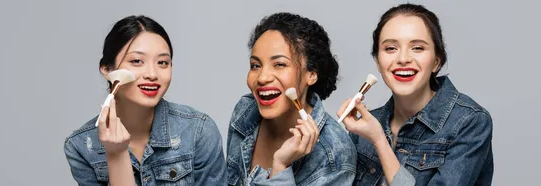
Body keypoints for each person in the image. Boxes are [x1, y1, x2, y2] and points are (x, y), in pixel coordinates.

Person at [338, 3, 494, 186]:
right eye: (390, 48)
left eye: (418, 48)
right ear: (378, 62)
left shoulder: (470, 122)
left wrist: (379, 141)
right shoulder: (364, 126)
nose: (403, 59)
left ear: (437, 61)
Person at [63, 15, 226, 186]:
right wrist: (116, 155)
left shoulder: (198, 132)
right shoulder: (81, 146)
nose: (152, 74)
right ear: (107, 69)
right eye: (137, 61)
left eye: (163, 62)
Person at [226, 12, 357, 185]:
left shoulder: (334, 154)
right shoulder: (245, 111)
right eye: (255, 65)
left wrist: (281, 166)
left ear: (311, 74)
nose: (262, 77)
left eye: (280, 64)